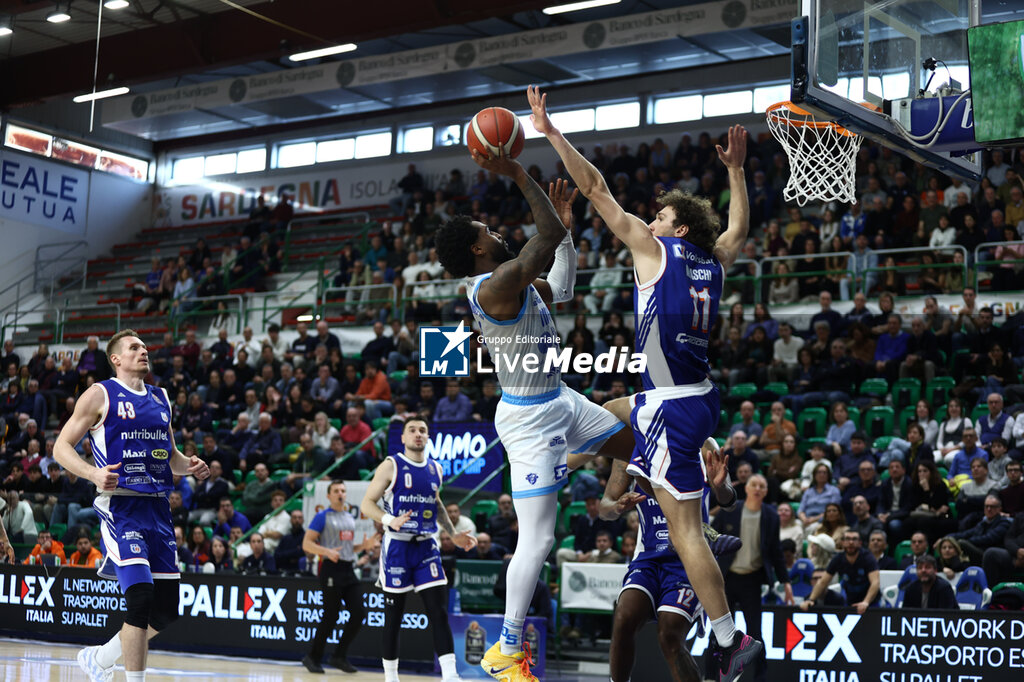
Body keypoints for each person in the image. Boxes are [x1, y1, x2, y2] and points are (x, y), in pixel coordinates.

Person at [528, 84, 761, 679]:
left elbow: (597, 188)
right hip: (698, 398)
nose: (649, 220)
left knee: (686, 529)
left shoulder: (656, 251)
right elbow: (736, 229)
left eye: (659, 216)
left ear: (676, 228)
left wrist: (550, 132)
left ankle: (730, 637)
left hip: (671, 407)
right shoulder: (714, 260)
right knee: (612, 407)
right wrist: (736, 172)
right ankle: (580, 457)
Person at [434, 145, 633, 680]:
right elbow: (540, 237)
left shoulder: (518, 282)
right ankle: (505, 647)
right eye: (490, 231)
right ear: (479, 247)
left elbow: (563, 286)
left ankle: (669, 524)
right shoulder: (494, 286)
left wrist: (565, 233)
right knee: (539, 538)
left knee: (643, 447)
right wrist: (518, 172)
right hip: (529, 421)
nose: (499, 233)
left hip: (561, 400)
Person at [55, 329, 210, 682]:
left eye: (144, 346)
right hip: (121, 507)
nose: (144, 351)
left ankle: (100, 658)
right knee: (140, 599)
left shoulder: (161, 398)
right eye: (134, 347)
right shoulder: (99, 395)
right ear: (117, 359)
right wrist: (93, 474)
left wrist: (191, 466)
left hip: (158, 509)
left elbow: (170, 457)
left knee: (167, 610)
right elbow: (60, 447)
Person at [602, 438, 742, 682]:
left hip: (687, 561)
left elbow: (729, 501)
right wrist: (616, 506)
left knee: (670, 634)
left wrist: (720, 487)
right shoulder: (629, 445)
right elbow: (604, 506)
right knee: (623, 618)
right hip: (648, 558)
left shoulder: (703, 443)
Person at [360, 418, 476, 682]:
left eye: (422, 430)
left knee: (438, 611)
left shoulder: (435, 469)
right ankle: (391, 677)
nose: (418, 434)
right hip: (397, 545)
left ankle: (450, 675)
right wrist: (390, 520)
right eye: (412, 430)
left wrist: (452, 534)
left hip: (426, 546)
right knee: (394, 616)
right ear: (403, 438)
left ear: (428, 437)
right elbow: (367, 504)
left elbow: (436, 503)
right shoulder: (391, 465)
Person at [300, 480, 364, 673]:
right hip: (331, 568)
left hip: (348, 568)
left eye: (343, 490)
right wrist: (326, 552)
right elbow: (307, 544)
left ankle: (338, 656)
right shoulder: (322, 517)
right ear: (328, 496)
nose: (341, 493)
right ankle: (312, 657)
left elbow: (347, 548)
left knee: (359, 613)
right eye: (336, 491)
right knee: (331, 616)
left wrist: (363, 547)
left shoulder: (350, 518)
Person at [800, 530, 880, 614]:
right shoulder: (838, 559)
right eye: (847, 539)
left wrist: (865, 602)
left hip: (871, 603)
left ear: (860, 543)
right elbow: (822, 582)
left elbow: (875, 582)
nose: (851, 542)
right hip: (850, 602)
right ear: (842, 542)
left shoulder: (868, 558)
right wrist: (810, 599)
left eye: (854, 539)